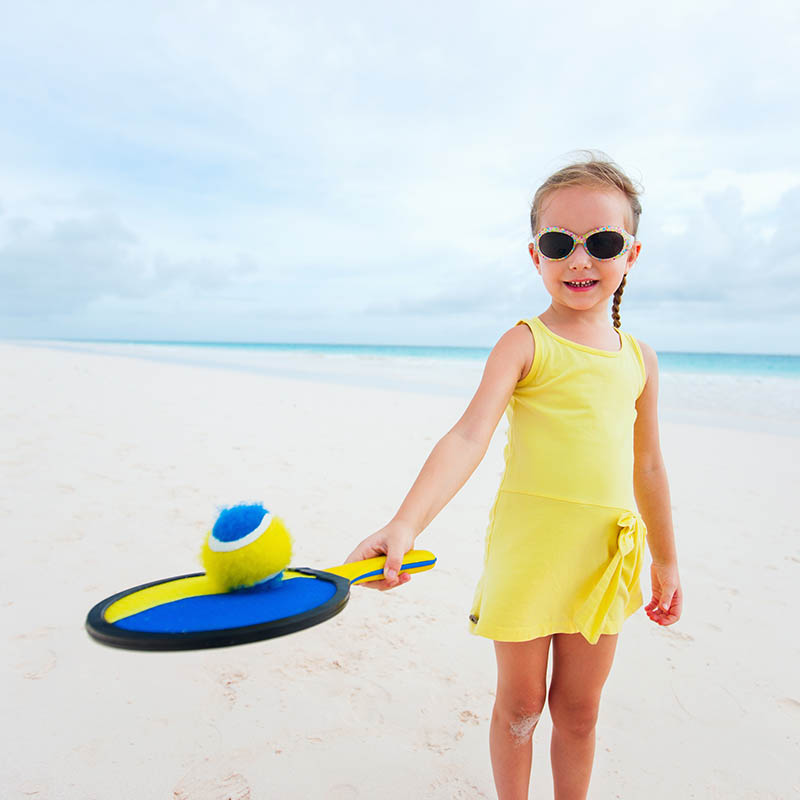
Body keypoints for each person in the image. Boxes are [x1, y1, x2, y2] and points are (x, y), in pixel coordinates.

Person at [345, 152, 682, 800]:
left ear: (631, 254)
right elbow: (468, 435)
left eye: (602, 243)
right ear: (536, 256)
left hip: (601, 559)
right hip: (528, 555)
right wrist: (405, 522)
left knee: (579, 714)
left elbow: (649, 465)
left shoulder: (642, 359)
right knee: (522, 707)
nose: (579, 261)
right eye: (559, 244)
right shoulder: (525, 342)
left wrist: (667, 559)